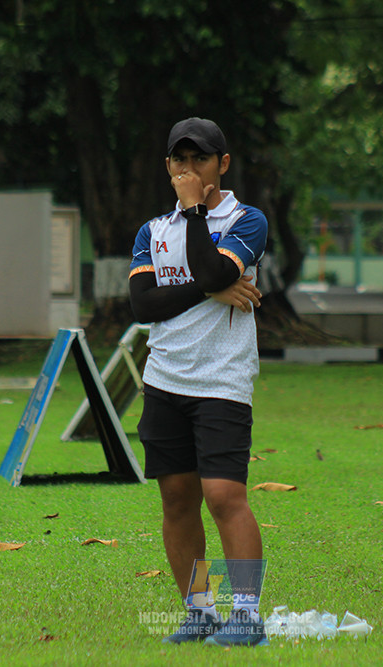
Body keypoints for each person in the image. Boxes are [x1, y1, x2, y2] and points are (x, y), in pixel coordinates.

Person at [128, 117, 269, 645]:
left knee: (224, 495)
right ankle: (201, 610)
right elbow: (144, 305)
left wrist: (194, 214)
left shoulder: (247, 220)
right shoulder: (151, 231)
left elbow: (212, 270)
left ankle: (247, 616)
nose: (190, 170)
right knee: (177, 499)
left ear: (222, 164)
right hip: (164, 379)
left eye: (200, 159)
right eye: (180, 160)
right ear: (167, 165)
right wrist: (210, 289)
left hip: (222, 380)